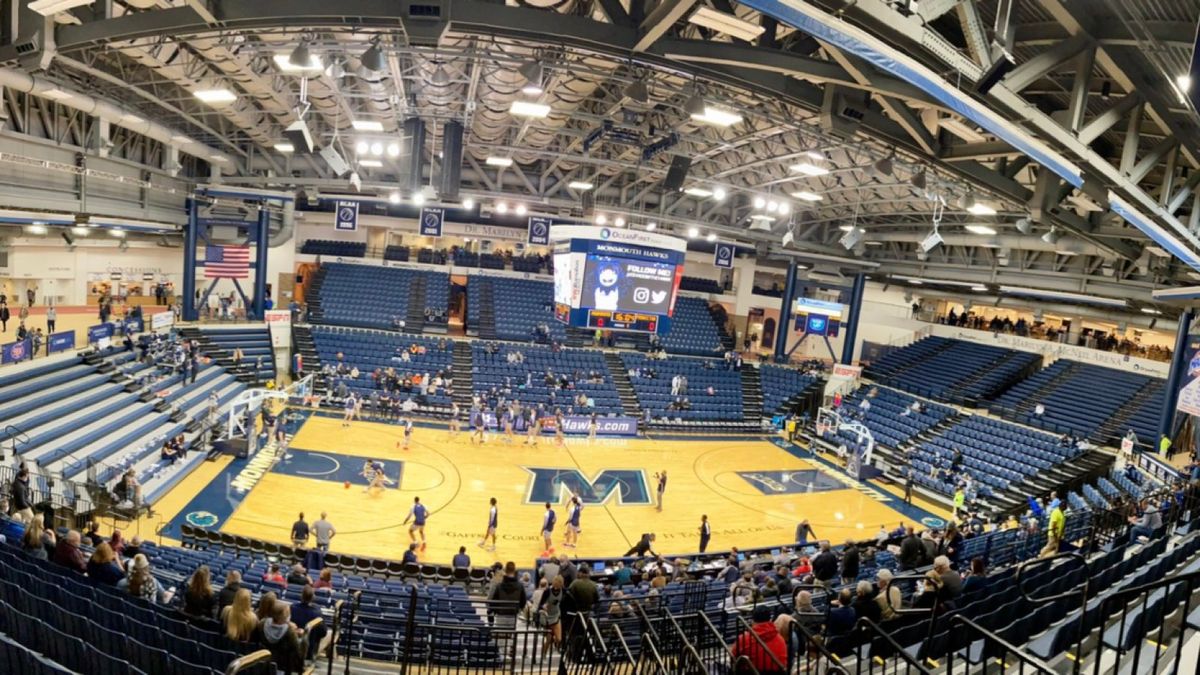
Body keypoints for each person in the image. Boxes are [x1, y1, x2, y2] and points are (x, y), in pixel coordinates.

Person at [256, 601, 305, 674]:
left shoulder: (262, 623)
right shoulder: (289, 631)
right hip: (283, 666)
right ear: (285, 616)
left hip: (263, 661)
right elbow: (297, 650)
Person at [290, 585, 326, 660]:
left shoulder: (292, 607)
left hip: (292, 648)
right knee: (330, 633)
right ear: (313, 597)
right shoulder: (317, 612)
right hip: (308, 650)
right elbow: (323, 633)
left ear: (301, 596)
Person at [488, 561, 527, 629]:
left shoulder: (499, 586)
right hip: (513, 615)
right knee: (511, 637)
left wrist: (494, 611)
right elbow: (523, 602)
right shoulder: (520, 586)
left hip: (501, 615)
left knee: (501, 637)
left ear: (505, 570)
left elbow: (493, 602)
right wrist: (518, 610)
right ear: (514, 570)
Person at [537, 576, 565, 656]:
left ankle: (553, 643)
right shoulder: (547, 591)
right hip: (547, 617)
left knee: (559, 639)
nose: (557, 587)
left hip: (556, 616)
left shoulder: (563, 591)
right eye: (555, 585)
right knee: (548, 640)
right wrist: (543, 606)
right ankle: (544, 654)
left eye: (559, 585)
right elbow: (540, 605)